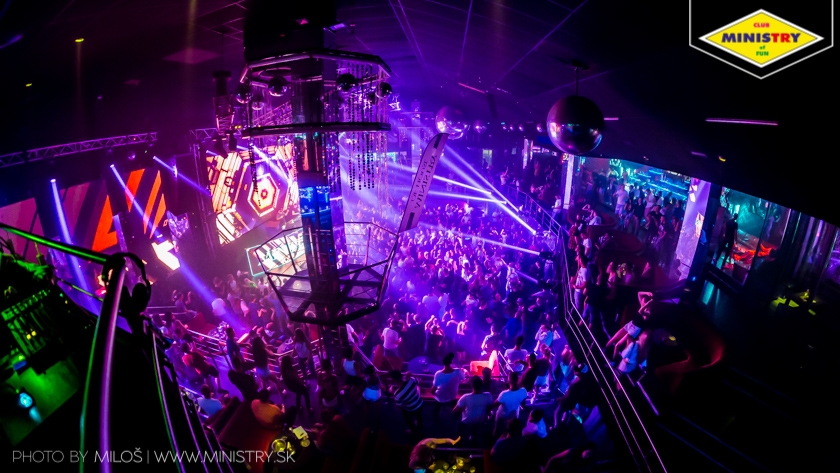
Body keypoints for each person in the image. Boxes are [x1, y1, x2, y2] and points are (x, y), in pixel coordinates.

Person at [453, 376, 494, 444]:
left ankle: (458, 440)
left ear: (472, 386)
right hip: (482, 421)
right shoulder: (488, 395)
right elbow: (489, 408)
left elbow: (455, 410)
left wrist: (463, 408)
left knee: (458, 421)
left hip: (467, 422)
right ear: (482, 385)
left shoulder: (465, 397)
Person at [492, 371, 528, 438]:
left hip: (502, 415)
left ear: (508, 380)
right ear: (517, 379)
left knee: (497, 429)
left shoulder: (504, 393)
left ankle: (494, 440)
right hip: (514, 415)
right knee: (511, 432)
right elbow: (523, 403)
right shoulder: (524, 391)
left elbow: (494, 404)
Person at [431, 352, 466, 419]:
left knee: (437, 403)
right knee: (453, 403)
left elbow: (432, 390)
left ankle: (435, 417)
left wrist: (434, 394)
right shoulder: (457, 371)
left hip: (440, 396)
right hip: (452, 395)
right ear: (451, 362)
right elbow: (463, 378)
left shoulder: (438, 374)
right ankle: (456, 417)